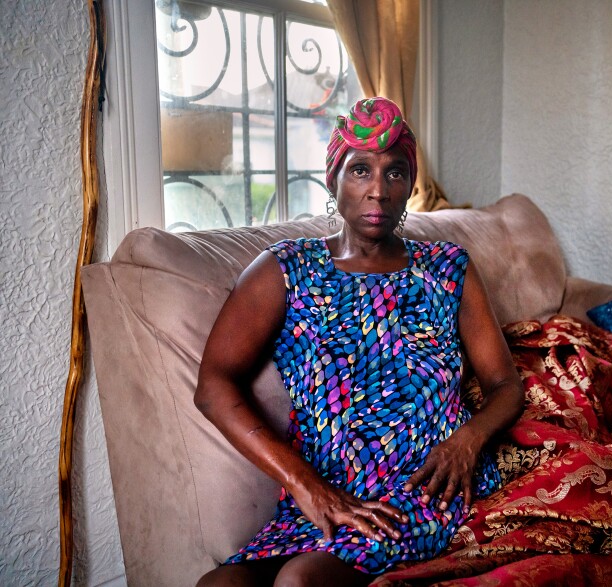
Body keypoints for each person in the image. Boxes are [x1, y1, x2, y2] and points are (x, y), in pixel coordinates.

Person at [194, 97, 524, 587]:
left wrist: (467, 441)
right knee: (218, 585)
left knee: (301, 581)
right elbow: (213, 385)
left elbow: (505, 385)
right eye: (360, 170)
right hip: (326, 489)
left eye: (395, 173)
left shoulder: (448, 268)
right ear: (333, 180)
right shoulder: (285, 270)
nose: (378, 190)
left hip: (426, 488)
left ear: (411, 186)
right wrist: (306, 487)